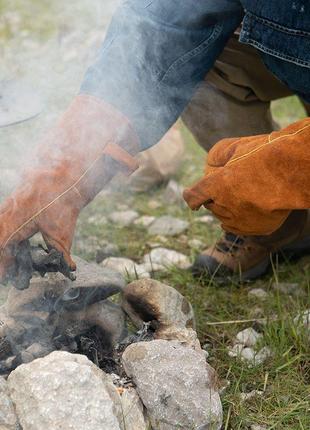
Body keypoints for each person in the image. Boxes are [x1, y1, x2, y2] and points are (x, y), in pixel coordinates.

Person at [1, 0, 310, 286]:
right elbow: (161, 27)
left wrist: (290, 167)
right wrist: (63, 172)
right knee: (197, 56)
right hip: (286, 43)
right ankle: (279, 225)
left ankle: (290, 194)